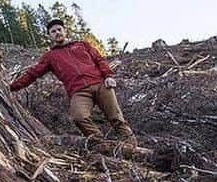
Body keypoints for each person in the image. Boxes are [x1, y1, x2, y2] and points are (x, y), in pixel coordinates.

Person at [9, 18, 135, 147]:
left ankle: (131, 145)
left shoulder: (82, 45)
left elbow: (99, 59)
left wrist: (108, 75)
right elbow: (32, 74)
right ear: (49, 36)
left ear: (65, 31)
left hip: (100, 84)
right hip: (79, 91)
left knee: (116, 117)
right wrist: (12, 87)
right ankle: (101, 144)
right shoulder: (50, 56)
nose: (57, 33)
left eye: (59, 29)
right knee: (79, 116)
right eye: (53, 32)